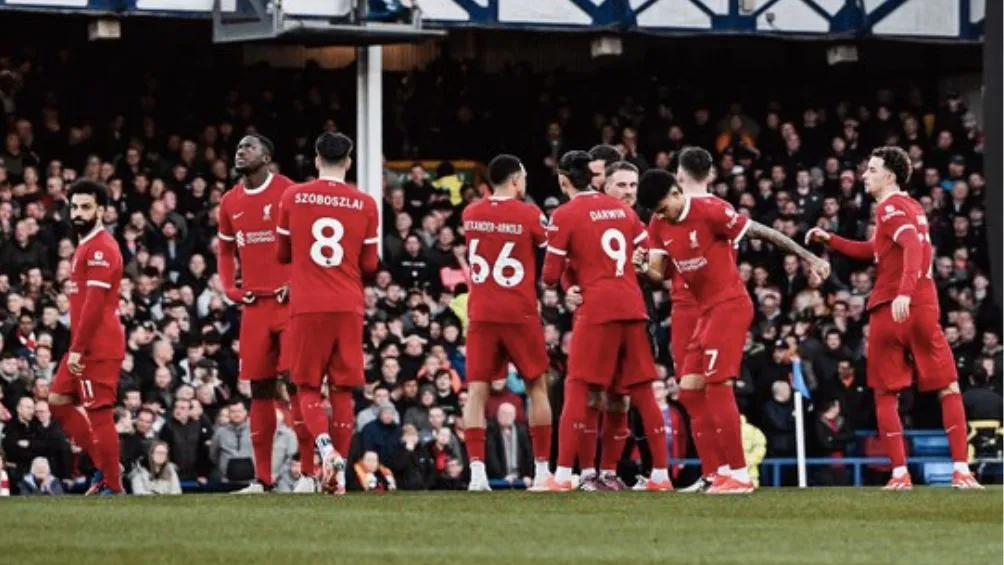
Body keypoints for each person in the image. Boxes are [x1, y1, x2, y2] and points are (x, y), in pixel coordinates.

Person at [636, 149, 829, 494]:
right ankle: (719, 470)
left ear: (678, 191)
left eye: (665, 206)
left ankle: (738, 474)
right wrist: (643, 268)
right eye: (657, 211)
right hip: (703, 310)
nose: (663, 214)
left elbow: (763, 233)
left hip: (730, 305)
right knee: (689, 390)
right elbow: (658, 274)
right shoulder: (659, 223)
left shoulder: (712, 210)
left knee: (718, 385)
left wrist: (808, 256)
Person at [805, 146, 982, 490]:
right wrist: (832, 240)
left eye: (872, 170)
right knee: (948, 387)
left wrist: (903, 291)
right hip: (926, 308)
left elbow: (912, 246)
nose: (865, 175)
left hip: (893, 307)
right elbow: (875, 250)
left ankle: (899, 473)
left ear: (889, 176)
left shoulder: (888, 207)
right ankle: (961, 469)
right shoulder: (913, 207)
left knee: (886, 394)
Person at [540, 150, 671, 492]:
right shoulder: (624, 213)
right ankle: (660, 475)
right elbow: (647, 255)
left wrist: (569, 281)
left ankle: (566, 475)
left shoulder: (565, 214)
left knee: (580, 387)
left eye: (632, 185)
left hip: (598, 310)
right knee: (642, 389)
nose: (628, 191)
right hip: (633, 306)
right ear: (599, 180)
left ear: (563, 180)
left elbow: (551, 275)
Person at [276, 132, 380, 494]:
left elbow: (281, 252)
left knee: (306, 385)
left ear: (316, 159)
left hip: (308, 304)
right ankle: (338, 481)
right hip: (348, 304)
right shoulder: (365, 203)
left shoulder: (292, 196)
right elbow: (370, 263)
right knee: (343, 389)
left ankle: (324, 450)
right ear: (349, 161)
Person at [216, 134, 309, 493]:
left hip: (288, 305)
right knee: (259, 390)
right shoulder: (230, 202)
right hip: (254, 308)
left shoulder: (289, 191)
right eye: (237, 147)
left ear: (267, 156)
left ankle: (310, 473)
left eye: (248, 147)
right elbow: (225, 252)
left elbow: (310, 241)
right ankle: (262, 479)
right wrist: (231, 288)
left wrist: (297, 281)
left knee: (296, 384)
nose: (240, 151)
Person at [460, 154, 552, 491]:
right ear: (516, 180)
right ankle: (542, 470)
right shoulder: (529, 213)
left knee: (476, 393)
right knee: (536, 387)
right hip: (519, 311)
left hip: (482, 311)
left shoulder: (471, 213)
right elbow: (550, 248)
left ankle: (477, 473)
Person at [47, 179, 126, 495]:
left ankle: (113, 485)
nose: (77, 213)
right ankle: (106, 466)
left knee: (99, 412)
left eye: (86, 207)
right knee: (57, 400)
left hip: (96, 346)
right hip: (83, 344)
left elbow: (94, 306)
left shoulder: (101, 249)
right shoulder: (85, 246)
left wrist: (78, 349)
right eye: (74, 206)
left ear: (102, 211)